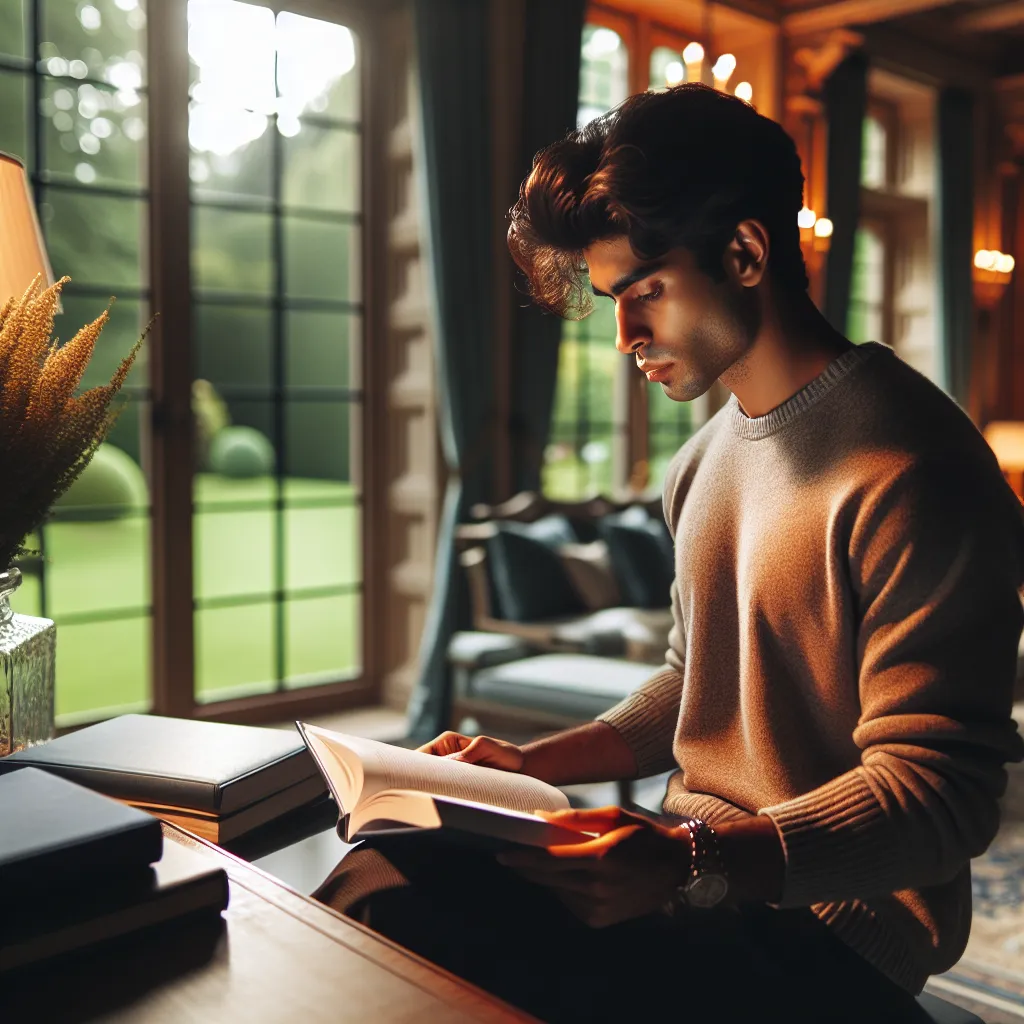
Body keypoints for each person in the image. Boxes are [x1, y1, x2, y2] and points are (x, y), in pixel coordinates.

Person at [315, 83, 1024, 1022]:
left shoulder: (914, 470)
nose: (624, 337)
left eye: (643, 292)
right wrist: (532, 768)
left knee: (405, 919)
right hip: (699, 867)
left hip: (832, 933)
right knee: (385, 873)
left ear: (745, 251)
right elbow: (694, 683)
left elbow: (943, 798)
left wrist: (697, 864)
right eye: (613, 301)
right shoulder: (702, 460)